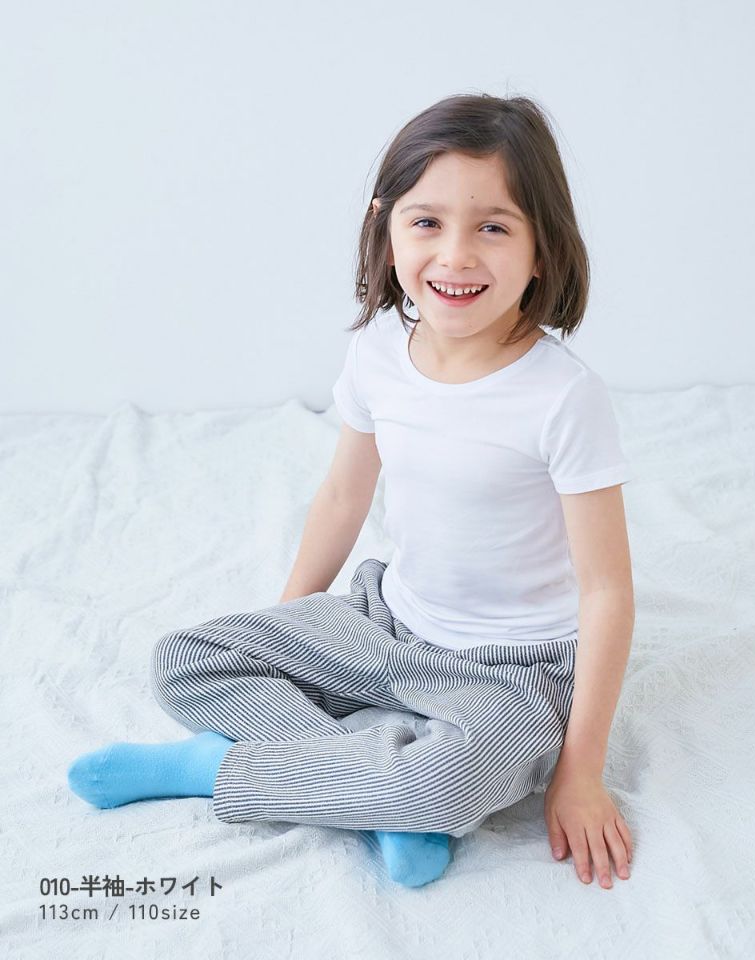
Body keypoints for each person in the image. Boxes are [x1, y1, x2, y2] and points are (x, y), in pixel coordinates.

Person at [67, 92, 636, 891]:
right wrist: (287, 631)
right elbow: (343, 496)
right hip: (387, 622)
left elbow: (607, 590)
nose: (455, 255)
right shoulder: (378, 353)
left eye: (494, 228)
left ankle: (218, 769)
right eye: (427, 222)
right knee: (185, 661)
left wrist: (581, 772)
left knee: (441, 783)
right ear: (387, 228)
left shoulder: (564, 397)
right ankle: (375, 800)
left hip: (515, 671)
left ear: (543, 248)